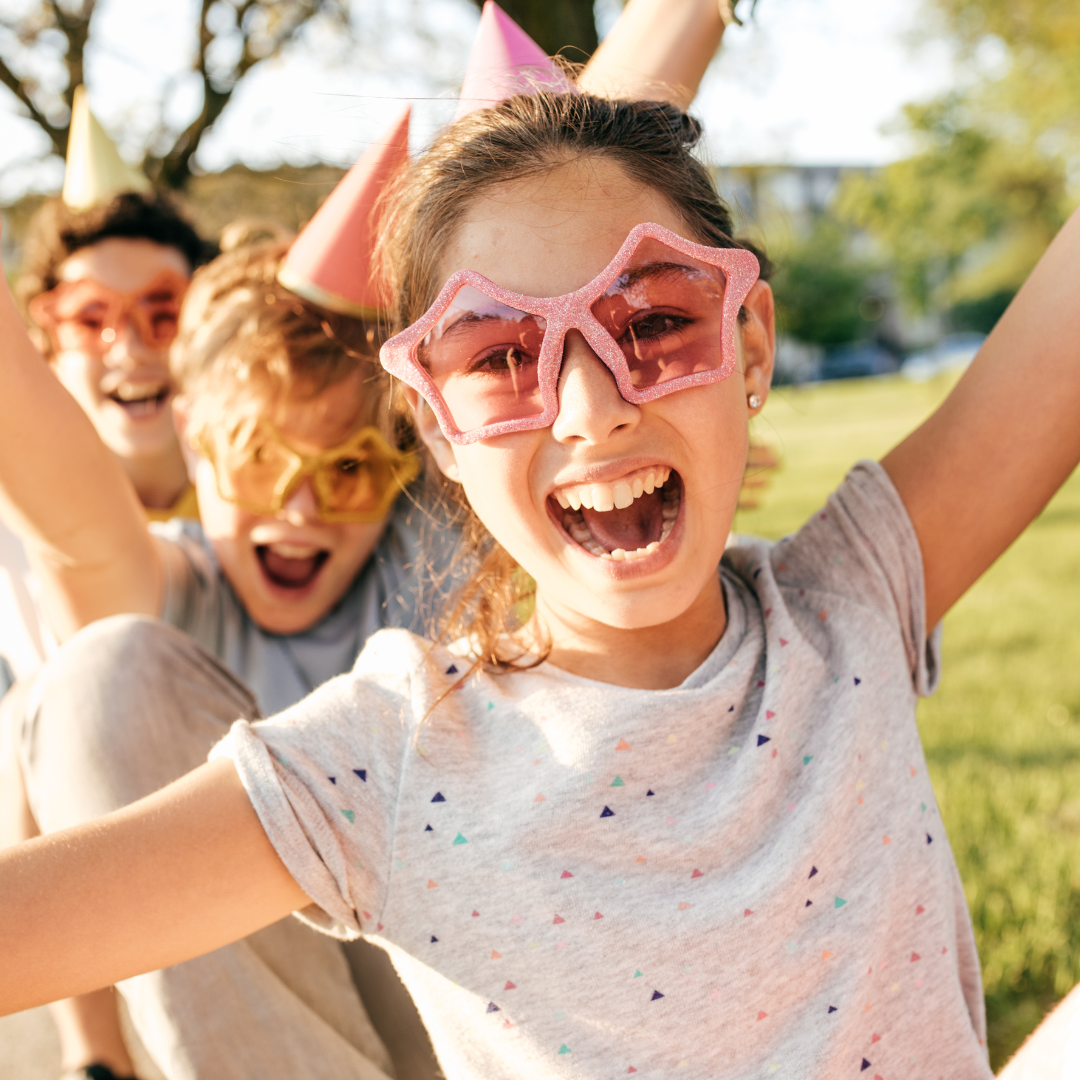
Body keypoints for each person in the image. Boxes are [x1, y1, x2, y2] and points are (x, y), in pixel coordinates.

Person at [5, 83, 1080, 1079]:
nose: (589, 408)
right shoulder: (392, 757)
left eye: (653, 323)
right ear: (437, 426)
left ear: (748, 345)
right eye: (500, 356)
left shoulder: (852, 597)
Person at [0, 190, 207, 685]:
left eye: (163, 313)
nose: (130, 350)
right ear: (47, 348)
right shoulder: (10, 532)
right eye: (92, 319)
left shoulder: (278, 501)